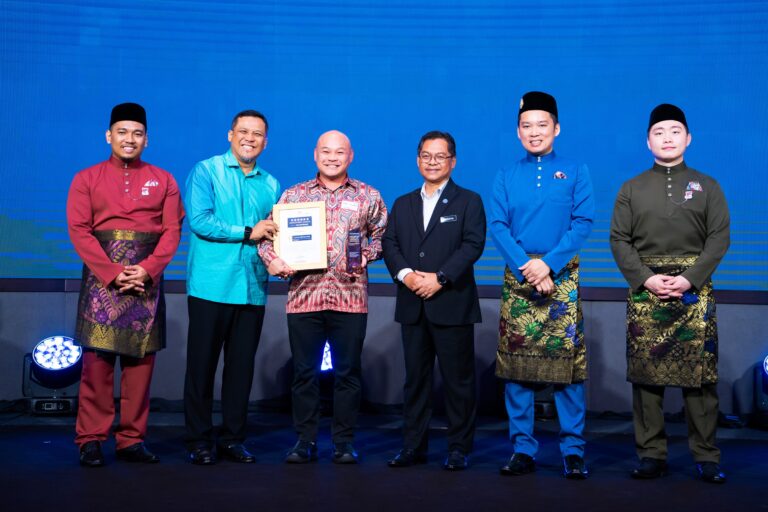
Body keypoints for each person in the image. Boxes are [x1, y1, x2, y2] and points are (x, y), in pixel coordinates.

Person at [610, 104, 730, 484]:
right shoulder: (631, 188)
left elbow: (719, 238)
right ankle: (651, 455)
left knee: (701, 378)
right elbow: (619, 239)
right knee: (646, 377)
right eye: (659, 132)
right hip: (647, 291)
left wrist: (690, 278)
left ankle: (706, 456)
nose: (667, 138)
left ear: (688, 138)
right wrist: (645, 279)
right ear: (648, 141)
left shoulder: (708, 186)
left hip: (694, 292)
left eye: (675, 131)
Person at [259, 130, 387, 464]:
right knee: (305, 373)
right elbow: (267, 237)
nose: (332, 158)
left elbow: (383, 238)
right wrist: (273, 260)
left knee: (348, 373)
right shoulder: (294, 195)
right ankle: (305, 441)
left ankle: (344, 443)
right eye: (326, 152)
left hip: (350, 297)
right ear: (315, 154)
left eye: (339, 152)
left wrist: (365, 254)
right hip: (305, 297)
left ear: (350, 155)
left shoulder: (369, 195)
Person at [67, 102, 184, 467]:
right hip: (102, 280)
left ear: (147, 140)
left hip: (146, 281)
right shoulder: (86, 178)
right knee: (96, 366)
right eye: (122, 132)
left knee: (140, 366)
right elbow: (79, 230)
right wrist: (111, 272)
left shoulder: (164, 180)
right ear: (109, 136)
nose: (129, 139)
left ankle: (131, 440)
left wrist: (148, 269)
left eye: (137, 133)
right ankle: (90, 439)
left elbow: (172, 231)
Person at [488, 91, 595, 479]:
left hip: (561, 276)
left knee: (568, 370)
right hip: (519, 277)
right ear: (518, 132)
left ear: (557, 128)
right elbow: (497, 225)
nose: (534, 132)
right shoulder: (506, 175)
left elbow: (583, 222)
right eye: (526, 126)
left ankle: (573, 450)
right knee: (517, 368)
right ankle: (522, 448)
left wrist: (547, 265)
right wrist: (528, 268)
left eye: (542, 125)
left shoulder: (575, 170)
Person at [382, 131, 486, 471]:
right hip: (412, 304)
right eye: (426, 156)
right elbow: (390, 244)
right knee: (415, 381)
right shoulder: (402, 203)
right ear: (417, 160)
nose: (432, 162)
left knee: (458, 383)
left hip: (452, 303)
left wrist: (440, 278)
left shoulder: (468, 201)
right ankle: (413, 446)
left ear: (452, 161)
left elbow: (473, 245)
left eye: (440, 156)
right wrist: (407, 276)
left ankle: (458, 449)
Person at [183, 110, 280, 465]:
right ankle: (199, 440)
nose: (249, 138)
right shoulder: (206, 171)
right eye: (243, 131)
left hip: (252, 287)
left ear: (265, 142)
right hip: (211, 286)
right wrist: (247, 232)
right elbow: (200, 221)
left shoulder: (271, 184)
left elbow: (274, 233)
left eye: (257, 134)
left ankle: (233, 439)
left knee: (241, 369)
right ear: (230, 134)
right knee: (202, 367)